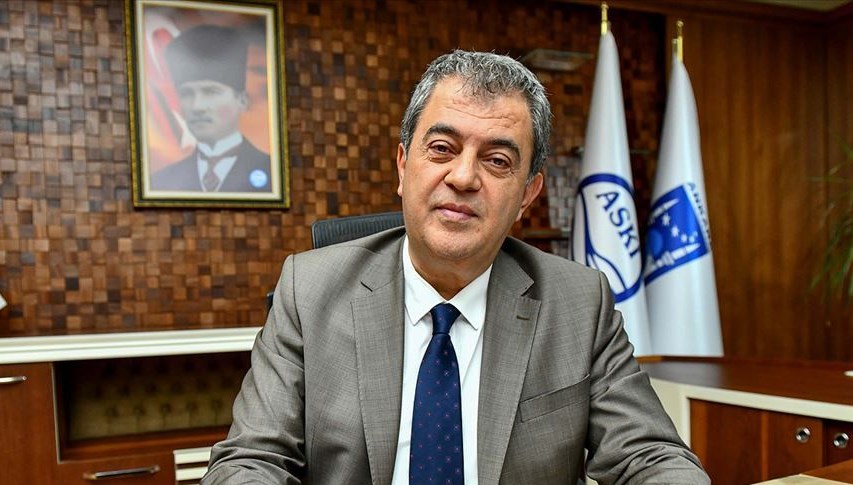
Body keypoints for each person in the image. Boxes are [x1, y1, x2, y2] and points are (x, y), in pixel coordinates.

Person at [202, 50, 710, 484]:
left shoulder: (579, 303)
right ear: (404, 166)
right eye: (442, 149)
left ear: (528, 194)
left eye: (497, 161)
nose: (463, 177)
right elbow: (252, 459)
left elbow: (650, 455)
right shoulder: (309, 290)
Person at [150, 25, 272, 193]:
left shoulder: (273, 173)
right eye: (186, 94)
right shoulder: (161, 181)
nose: (197, 106)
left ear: (242, 100)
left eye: (211, 92)